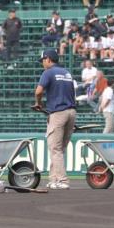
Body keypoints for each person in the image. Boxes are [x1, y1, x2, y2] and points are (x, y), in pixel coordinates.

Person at [34, 49, 76, 190]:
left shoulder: (48, 72)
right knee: (58, 149)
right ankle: (54, 179)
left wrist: (38, 103)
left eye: (43, 61)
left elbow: (38, 91)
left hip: (58, 113)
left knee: (55, 148)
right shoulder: (66, 73)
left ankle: (63, 180)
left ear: (48, 59)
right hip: (71, 112)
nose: (42, 64)